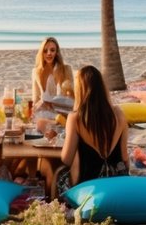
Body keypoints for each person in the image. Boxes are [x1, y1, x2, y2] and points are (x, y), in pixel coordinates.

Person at [53, 64, 129, 198]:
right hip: (117, 182)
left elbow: (66, 159)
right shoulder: (118, 114)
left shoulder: (75, 117)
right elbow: (124, 157)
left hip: (88, 185)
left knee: (57, 173)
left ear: (80, 90)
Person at [32, 36, 74, 134]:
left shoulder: (66, 69)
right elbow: (35, 99)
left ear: (57, 52)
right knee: (39, 123)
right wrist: (38, 104)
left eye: (52, 50)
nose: (49, 53)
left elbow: (73, 97)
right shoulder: (36, 72)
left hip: (63, 113)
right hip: (45, 114)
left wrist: (53, 103)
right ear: (41, 53)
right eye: (45, 50)